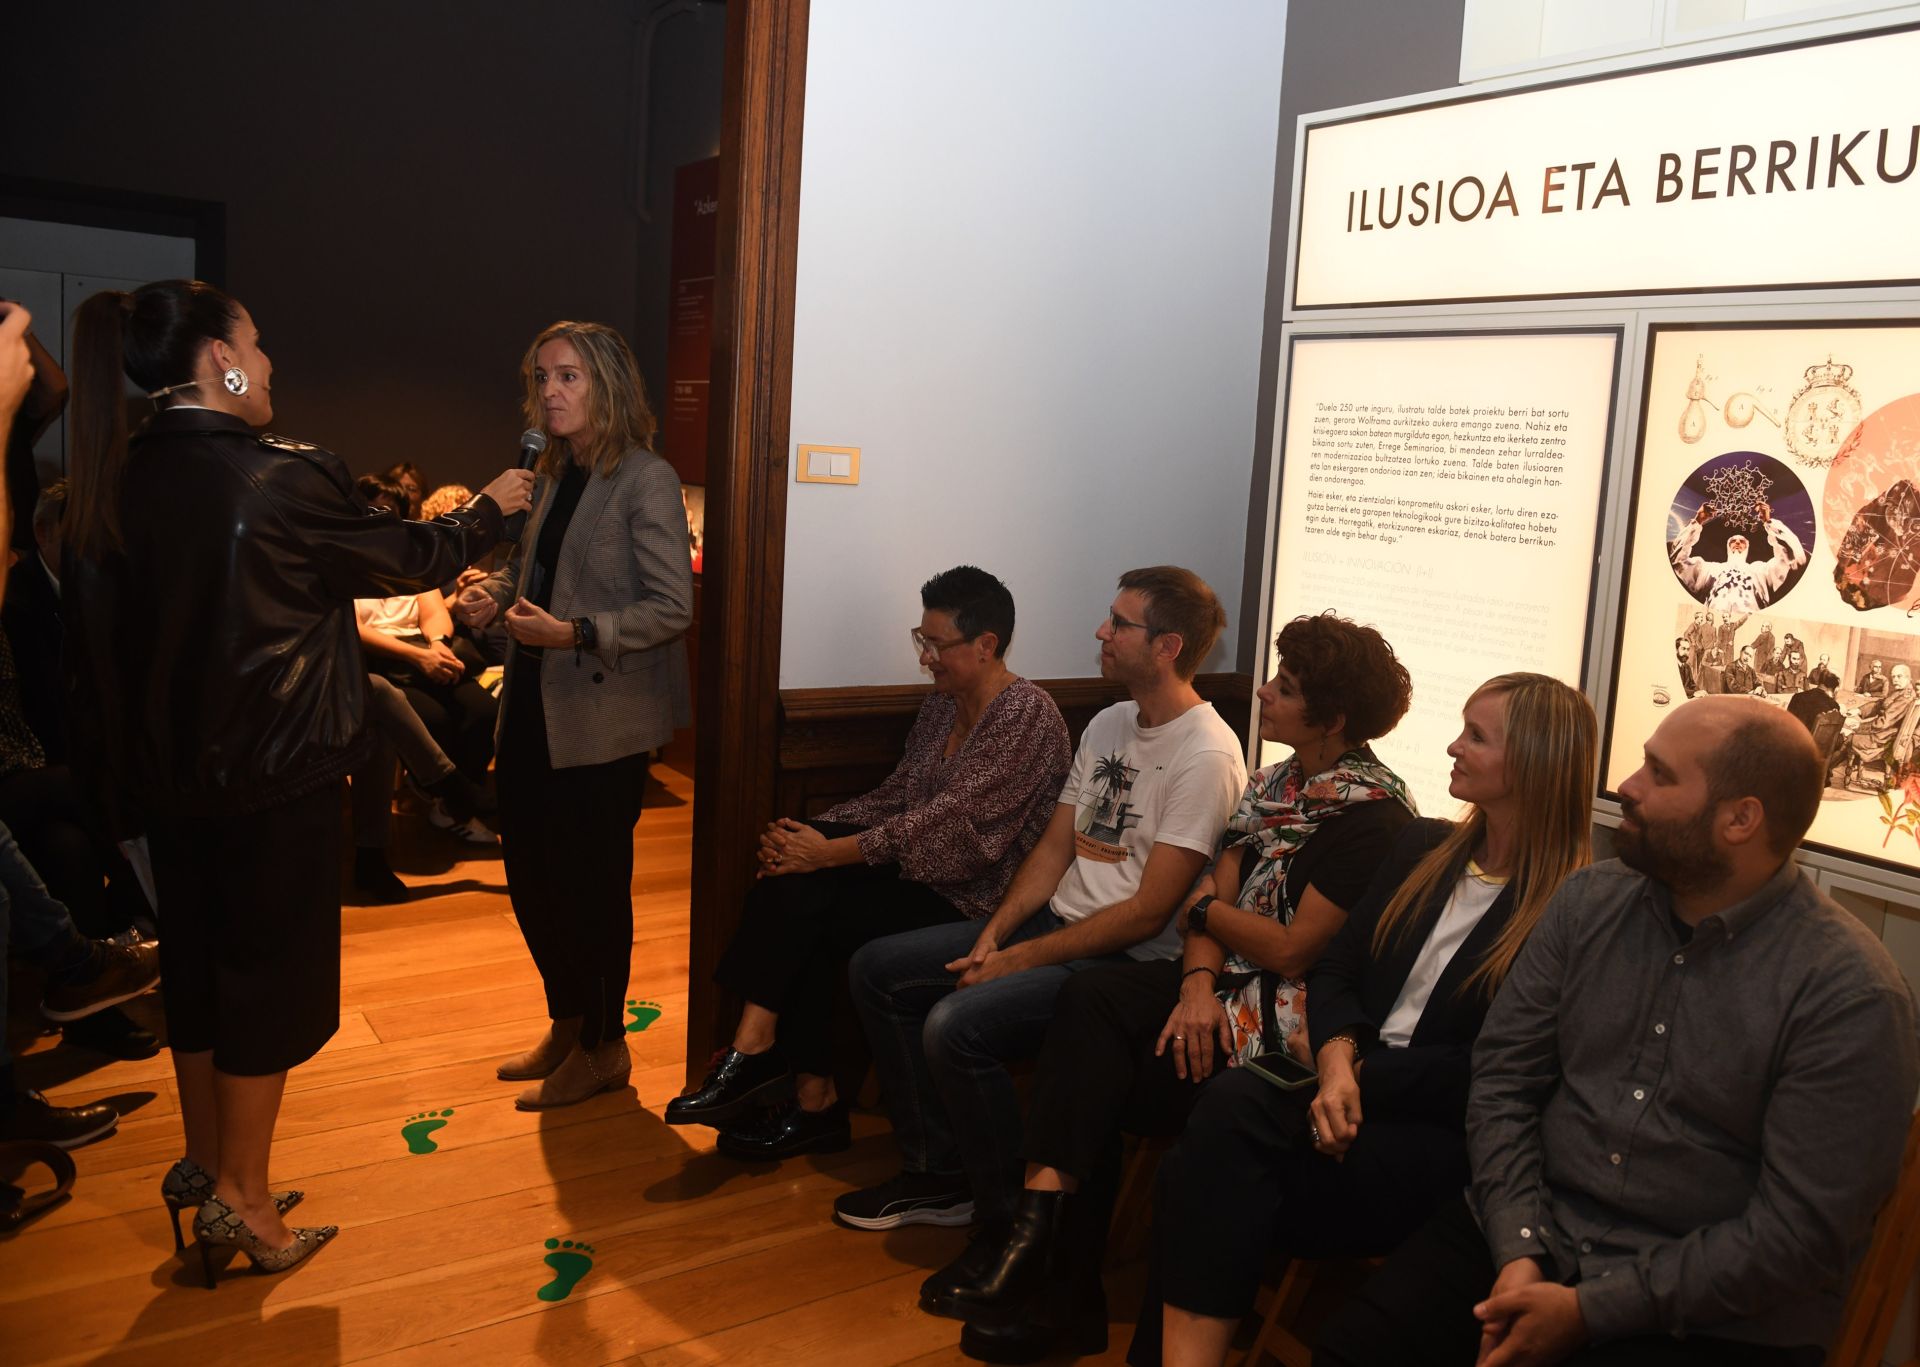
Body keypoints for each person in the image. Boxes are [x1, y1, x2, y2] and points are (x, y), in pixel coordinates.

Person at [62, 279, 531, 1283]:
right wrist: (491, 507)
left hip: (167, 783)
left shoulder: (116, 476)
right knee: (267, 989)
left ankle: (206, 1164)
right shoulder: (275, 475)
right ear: (220, 360)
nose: (269, 362)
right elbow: (407, 554)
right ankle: (245, 1198)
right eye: (257, 342)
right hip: (273, 774)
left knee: (200, 978)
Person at [1314, 696, 1920, 1367]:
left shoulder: (1849, 994)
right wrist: (1518, 1250)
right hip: (1533, 1230)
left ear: (1740, 819)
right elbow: (1503, 1082)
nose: (1627, 786)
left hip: (1710, 1310)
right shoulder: (1588, 903)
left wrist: (1587, 1310)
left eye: (1660, 775)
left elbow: (1797, 1235)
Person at [938, 614, 1419, 1362]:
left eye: (1286, 688)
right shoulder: (1276, 785)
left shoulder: (1373, 821)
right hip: (1219, 985)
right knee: (1091, 1003)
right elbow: (1209, 900)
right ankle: (1039, 1244)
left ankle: (1060, 1285)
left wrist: (1209, 916)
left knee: (1094, 1075)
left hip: (1284, 1021)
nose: (1263, 691)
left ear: (1331, 720)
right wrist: (1196, 983)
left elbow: (1289, 948)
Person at [1120, 674, 1596, 1367]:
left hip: (1434, 1131)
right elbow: (1338, 966)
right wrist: (1338, 1057)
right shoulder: (1425, 847)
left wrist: (1359, 1073)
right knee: (1225, 1116)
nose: (1453, 747)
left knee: (1202, 1170)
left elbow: (1495, 1067)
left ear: (1533, 763)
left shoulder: (1571, 907)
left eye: (1476, 736)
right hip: (1335, 1079)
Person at [837, 567, 1246, 1236]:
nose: (1101, 631)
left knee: (954, 1024)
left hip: (1122, 962)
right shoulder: (1110, 722)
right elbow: (1056, 848)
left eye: (1120, 623)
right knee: (877, 969)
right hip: (1056, 923)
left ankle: (1005, 1216)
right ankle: (938, 1172)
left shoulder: (1207, 753)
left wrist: (1018, 960)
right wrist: (996, 932)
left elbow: (1148, 913)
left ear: (1167, 647)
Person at [665, 566, 1071, 1158]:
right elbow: (898, 794)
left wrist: (829, 852)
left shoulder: (1026, 715)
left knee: (810, 900)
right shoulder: (943, 706)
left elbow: (954, 826)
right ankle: (781, 1072)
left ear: (986, 645)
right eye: (922, 639)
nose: (926, 657)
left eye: (937, 644)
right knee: (795, 885)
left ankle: (788, 1081)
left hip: (976, 895)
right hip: (919, 872)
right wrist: (806, 834)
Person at [453, 321, 693, 1110]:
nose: (550, 393)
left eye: (568, 377)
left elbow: (673, 607)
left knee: (591, 888)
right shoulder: (553, 473)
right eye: (542, 378)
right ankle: (568, 1021)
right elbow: (536, 573)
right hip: (531, 702)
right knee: (531, 877)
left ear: (607, 385)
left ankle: (605, 1046)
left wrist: (576, 632)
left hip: (602, 715)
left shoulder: (646, 478)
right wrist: (493, 594)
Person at [1669, 501, 1807, 625]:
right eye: (1733, 541)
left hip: (1751, 624)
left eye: (1742, 541)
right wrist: (1698, 521)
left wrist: (1769, 522)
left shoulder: (1760, 570)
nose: (1737, 543)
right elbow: (1677, 560)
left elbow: (1791, 557)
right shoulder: (1710, 569)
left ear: (1747, 547)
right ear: (1728, 547)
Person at [1844, 661, 1918, 787]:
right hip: (1882, 734)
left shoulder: (1906, 697)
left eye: (1899, 676)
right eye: (1893, 676)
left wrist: (1859, 726)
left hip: (1884, 739)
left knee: (1847, 737)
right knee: (1848, 730)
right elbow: (1880, 704)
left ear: (1908, 677)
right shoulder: (1900, 691)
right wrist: (1859, 710)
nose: (1895, 679)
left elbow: (1883, 722)